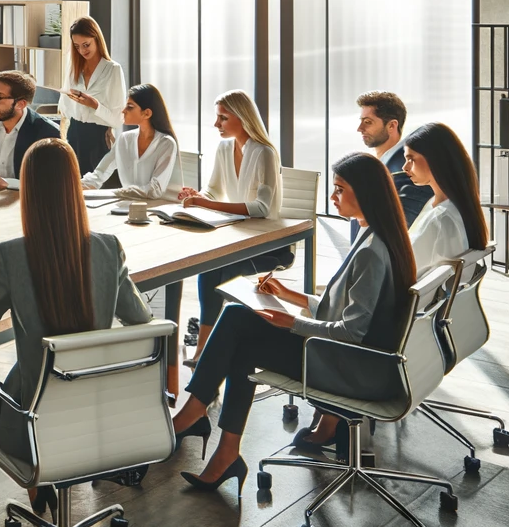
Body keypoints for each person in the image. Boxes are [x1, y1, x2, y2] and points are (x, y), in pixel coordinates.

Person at [0, 138, 153, 527]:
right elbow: (144, 323)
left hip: (33, 429)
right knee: (33, 368)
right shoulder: (108, 249)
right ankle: (38, 492)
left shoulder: (10, 256)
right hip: (100, 424)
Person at [170, 151, 417, 486]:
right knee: (239, 327)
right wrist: (290, 297)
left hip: (352, 368)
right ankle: (221, 447)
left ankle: (194, 415)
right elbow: (345, 311)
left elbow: (351, 331)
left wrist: (292, 322)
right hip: (354, 360)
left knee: (237, 326)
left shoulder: (372, 252)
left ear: (366, 193)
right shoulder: (378, 237)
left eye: (340, 189)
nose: (332, 196)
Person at [173, 90, 284, 393]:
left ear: (242, 118)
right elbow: (212, 191)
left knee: (220, 270)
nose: (216, 123)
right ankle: (204, 353)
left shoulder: (264, 152)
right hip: (237, 238)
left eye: (223, 117)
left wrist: (207, 205)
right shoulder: (224, 149)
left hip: (266, 243)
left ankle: (208, 353)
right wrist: (195, 197)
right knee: (208, 265)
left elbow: (261, 209)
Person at [401, 122, 489, 271]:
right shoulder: (453, 206)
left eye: (411, 159)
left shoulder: (441, 219)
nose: (405, 167)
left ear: (434, 159)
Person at [351, 90, 433, 240]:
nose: (360, 128)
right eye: (361, 121)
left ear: (392, 126)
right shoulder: (379, 165)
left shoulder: (405, 170)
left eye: (368, 122)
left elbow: (400, 228)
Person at [80, 83, 180, 201]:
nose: (123, 111)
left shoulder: (166, 144)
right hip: (128, 208)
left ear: (146, 113)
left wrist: (119, 193)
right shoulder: (124, 140)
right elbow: (99, 175)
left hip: (157, 211)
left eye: (130, 107)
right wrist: (73, 187)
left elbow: (155, 190)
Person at [56, 16, 126, 175]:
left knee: (95, 191)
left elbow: (117, 119)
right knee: (72, 189)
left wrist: (94, 105)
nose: (82, 51)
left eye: (86, 45)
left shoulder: (112, 70)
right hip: (74, 134)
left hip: (98, 138)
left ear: (97, 38)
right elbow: (65, 110)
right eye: (77, 46)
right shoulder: (74, 68)